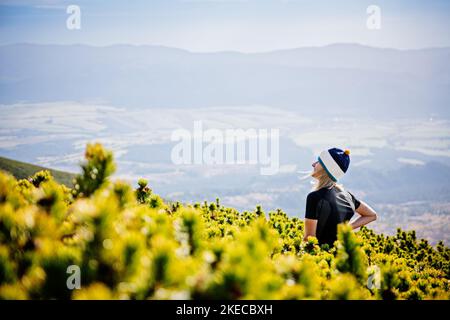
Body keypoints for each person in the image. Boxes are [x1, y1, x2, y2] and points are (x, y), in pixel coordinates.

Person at [303, 148, 377, 246]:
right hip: (341, 255)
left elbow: (309, 239)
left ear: (325, 168)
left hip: (321, 257)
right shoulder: (348, 196)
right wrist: (346, 228)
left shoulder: (315, 197)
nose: (313, 164)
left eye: (318, 161)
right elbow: (371, 215)